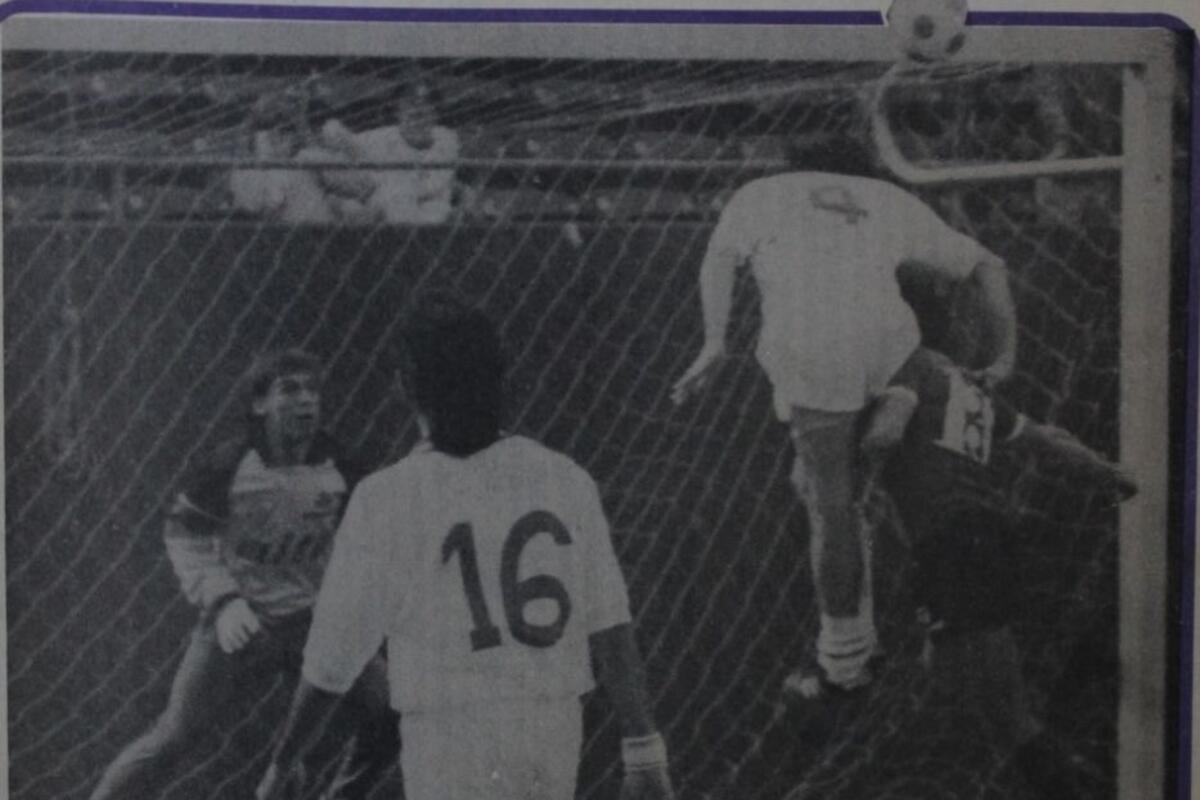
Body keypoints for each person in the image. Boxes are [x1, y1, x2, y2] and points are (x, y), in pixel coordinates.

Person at [256, 296, 673, 800]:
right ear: (499, 377)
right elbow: (610, 623)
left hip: (447, 735)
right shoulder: (563, 477)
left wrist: (282, 763)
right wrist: (644, 748)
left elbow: (331, 663)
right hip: (550, 729)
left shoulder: (387, 498)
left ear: (406, 388)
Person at [671, 142, 1017, 695]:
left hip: (815, 341)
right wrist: (1004, 358)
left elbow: (718, 259)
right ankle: (879, 630)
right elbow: (988, 265)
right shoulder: (887, 197)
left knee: (830, 502)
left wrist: (714, 341)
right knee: (823, 486)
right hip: (896, 346)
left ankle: (844, 665)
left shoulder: (759, 193)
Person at [859, 269, 1136, 799]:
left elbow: (886, 434)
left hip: (953, 544)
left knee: (1002, 713)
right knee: (974, 695)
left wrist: (853, 477)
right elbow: (1045, 438)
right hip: (989, 537)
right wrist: (1106, 472)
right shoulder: (961, 382)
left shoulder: (905, 369)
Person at [88, 349, 399, 800]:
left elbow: (372, 541)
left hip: (315, 623)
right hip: (244, 623)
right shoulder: (229, 465)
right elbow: (182, 535)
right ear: (259, 404)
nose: (306, 400)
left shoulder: (342, 468)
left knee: (392, 710)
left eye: (312, 390)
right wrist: (224, 602)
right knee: (174, 736)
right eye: (289, 389)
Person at [319, 84, 460, 225]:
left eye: (425, 109)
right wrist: (334, 131)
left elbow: (430, 188)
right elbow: (339, 138)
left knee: (400, 194)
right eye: (410, 107)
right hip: (384, 204)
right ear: (398, 112)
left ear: (435, 114)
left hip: (429, 208)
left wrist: (380, 184)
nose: (418, 113)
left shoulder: (446, 139)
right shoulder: (383, 136)